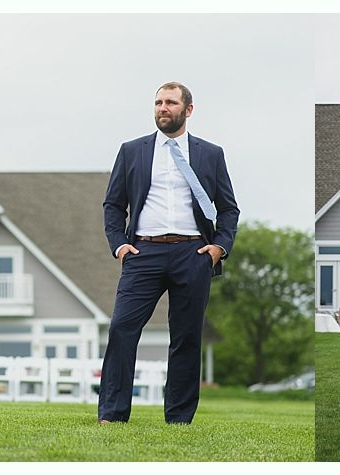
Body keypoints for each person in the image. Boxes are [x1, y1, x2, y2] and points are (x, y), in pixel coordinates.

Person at [99, 82, 239, 424]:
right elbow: (113, 204)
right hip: (142, 253)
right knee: (121, 329)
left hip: (193, 253)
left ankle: (178, 418)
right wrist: (119, 246)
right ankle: (112, 414)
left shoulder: (211, 153)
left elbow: (229, 209)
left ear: (188, 110)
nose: (163, 108)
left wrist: (218, 248)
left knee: (187, 337)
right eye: (159, 102)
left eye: (171, 103)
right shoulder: (132, 151)